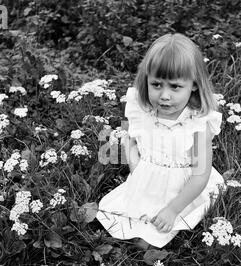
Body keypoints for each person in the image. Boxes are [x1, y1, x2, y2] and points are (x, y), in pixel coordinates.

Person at [96, 33, 227, 249]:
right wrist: (136, 168)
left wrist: (172, 210)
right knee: (116, 220)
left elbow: (200, 175)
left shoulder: (196, 125)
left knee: (146, 240)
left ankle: (160, 227)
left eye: (175, 87)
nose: (164, 95)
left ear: (194, 85)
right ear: (146, 80)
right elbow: (131, 138)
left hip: (182, 190)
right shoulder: (142, 110)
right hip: (147, 178)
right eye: (156, 84)